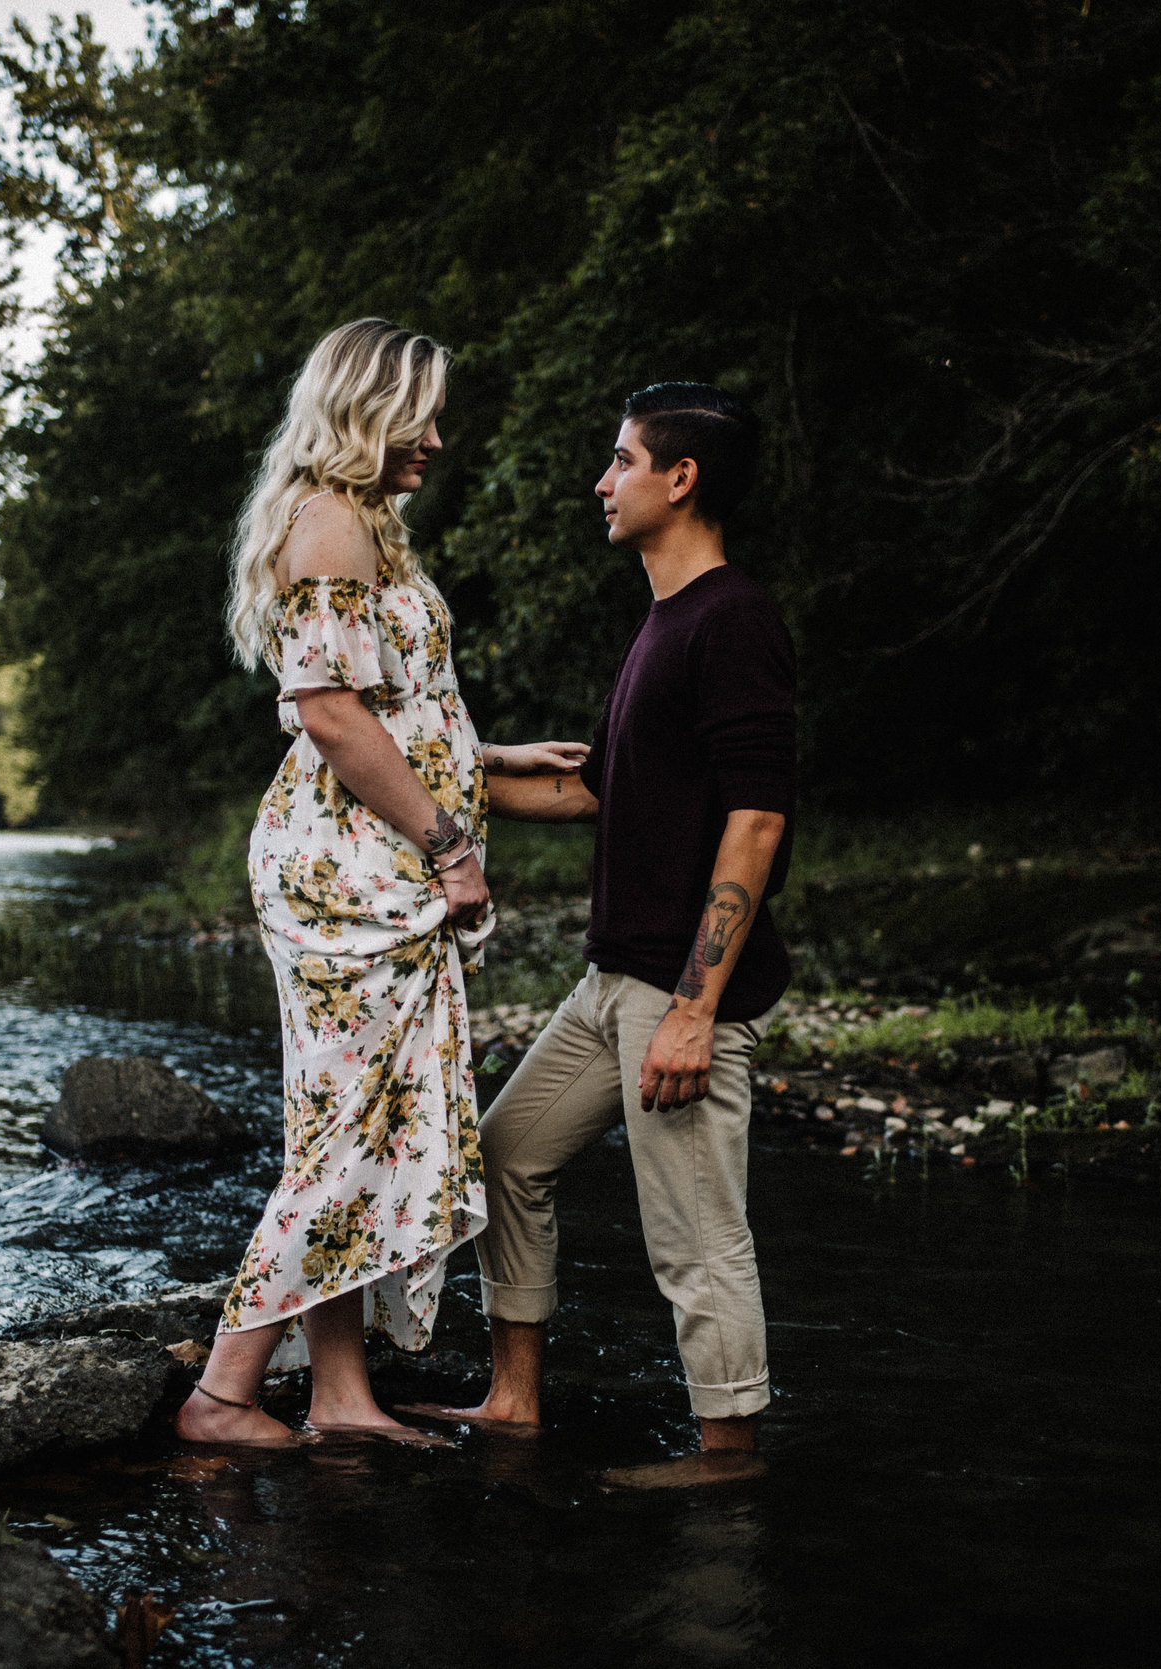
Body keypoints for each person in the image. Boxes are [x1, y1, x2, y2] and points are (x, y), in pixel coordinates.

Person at [176, 318, 587, 1445]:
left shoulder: (367, 528)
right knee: (351, 1131)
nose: (438, 439)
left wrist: (491, 759)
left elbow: (391, 705)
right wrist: (452, 847)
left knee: (356, 1123)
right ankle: (221, 1392)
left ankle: (340, 1396)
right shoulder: (329, 524)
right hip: (351, 878)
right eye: (421, 415)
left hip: (367, 860)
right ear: (365, 410)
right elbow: (328, 714)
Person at [405, 382, 795, 1485]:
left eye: (622, 461)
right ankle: (515, 1398)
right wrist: (413, 773)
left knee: (695, 1229)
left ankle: (727, 1453)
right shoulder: (663, 621)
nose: (602, 481)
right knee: (505, 1155)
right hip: (610, 980)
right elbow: (597, 798)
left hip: (679, 992)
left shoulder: (733, 619)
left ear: (682, 480)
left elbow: (755, 819)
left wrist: (693, 1007)